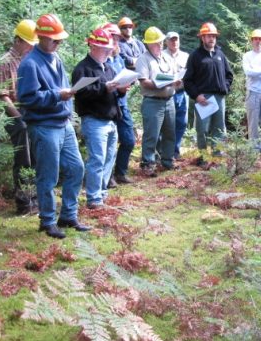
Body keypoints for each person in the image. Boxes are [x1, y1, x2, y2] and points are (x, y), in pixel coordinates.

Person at [17, 14, 89, 239]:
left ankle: (68, 215)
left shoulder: (56, 58)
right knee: (48, 176)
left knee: (76, 167)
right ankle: (47, 221)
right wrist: (57, 95)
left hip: (63, 123)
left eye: (60, 40)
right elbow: (27, 98)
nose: (58, 43)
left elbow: (64, 88)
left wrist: (67, 98)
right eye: (54, 39)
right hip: (43, 126)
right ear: (40, 36)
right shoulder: (29, 64)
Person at [72, 28, 127, 209]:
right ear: (93, 47)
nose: (108, 52)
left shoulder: (108, 67)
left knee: (109, 158)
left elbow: (111, 92)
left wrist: (120, 90)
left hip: (111, 119)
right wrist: (105, 88)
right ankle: (94, 198)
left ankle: (102, 193)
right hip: (94, 120)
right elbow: (81, 94)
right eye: (104, 49)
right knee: (97, 159)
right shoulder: (83, 68)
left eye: (109, 49)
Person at [0, 19, 39, 214]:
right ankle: (23, 202)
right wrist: (19, 117)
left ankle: (37, 197)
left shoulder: (29, 61)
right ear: (19, 41)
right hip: (16, 117)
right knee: (24, 158)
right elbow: (3, 96)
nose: (32, 48)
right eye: (30, 44)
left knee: (38, 157)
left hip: (32, 114)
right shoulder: (6, 62)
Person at [136, 26, 182, 177]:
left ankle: (167, 161)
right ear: (148, 44)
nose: (160, 45)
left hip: (169, 100)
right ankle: (148, 164)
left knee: (170, 133)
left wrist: (176, 82)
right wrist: (160, 83)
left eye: (161, 42)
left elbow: (175, 75)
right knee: (152, 134)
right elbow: (143, 82)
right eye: (156, 43)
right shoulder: (143, 59)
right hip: (152, 102)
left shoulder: (167, 57)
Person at [183, 22, 233, 157]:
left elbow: (229, 75)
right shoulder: (195, 56)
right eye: (208, 36)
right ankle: (203, 156)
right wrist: (197, 95)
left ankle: (217, 153)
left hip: (219, 97)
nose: (211, 39)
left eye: (213, 36)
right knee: (202, 129)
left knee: (219, 128)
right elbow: (187, 80)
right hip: (203, 97)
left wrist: (225, 88)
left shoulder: (220, 54)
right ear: (202, 38)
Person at [102, 22, 135, 186]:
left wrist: (127, 84)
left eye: (117, 39)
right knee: (109, 144)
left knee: (129, 141)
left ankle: (120, 172)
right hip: (108, 107)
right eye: (112, 39)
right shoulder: (101, 60)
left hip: (122, 105)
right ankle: (107, 178)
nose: (115, 43)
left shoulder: (119, 59)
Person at [162, 31, 189, 159]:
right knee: (167, 123)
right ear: (166, 42)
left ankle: (175, 150)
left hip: (183, 93)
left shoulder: (186, 56)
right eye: (171, 40)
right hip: (167, 93)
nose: (174, 42)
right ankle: (164, 151)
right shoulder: (161, 56)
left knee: (182, 122)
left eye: (176, 39)